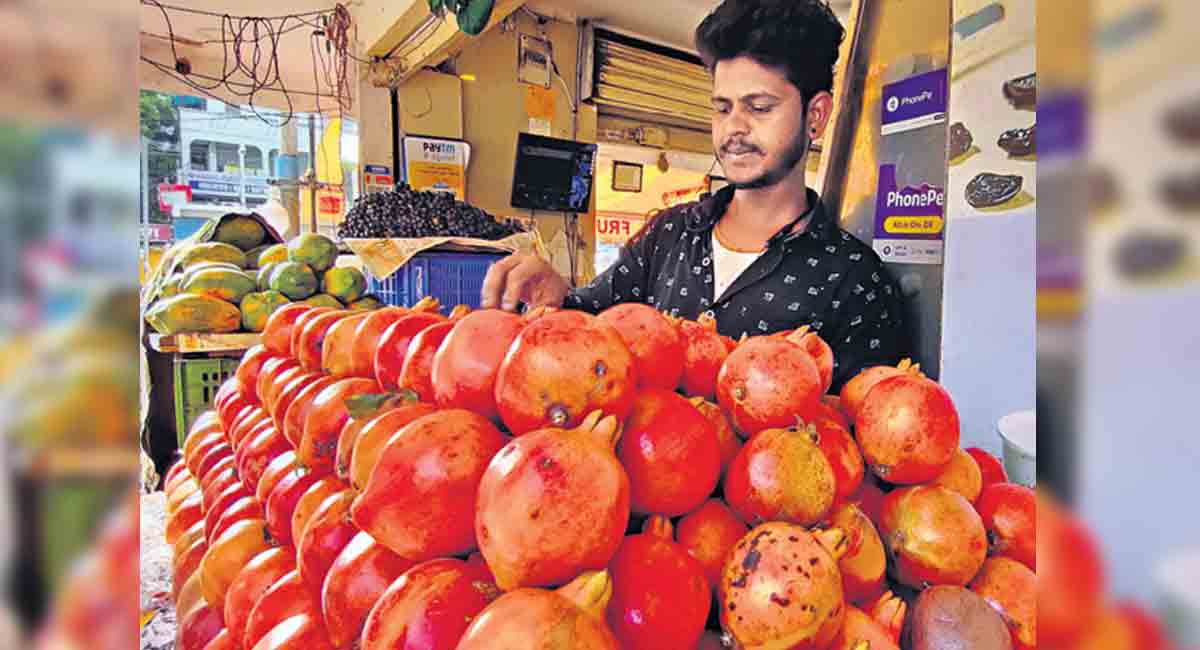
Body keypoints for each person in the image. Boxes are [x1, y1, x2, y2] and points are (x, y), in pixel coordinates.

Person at [481, 0, 911, 391]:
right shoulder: (668, 234)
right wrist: (557, 298)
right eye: (722, 107)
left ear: (815, 116)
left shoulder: (856, 282)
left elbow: (866, 433)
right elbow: (594, 327)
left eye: (759, 107)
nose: (734, 128)